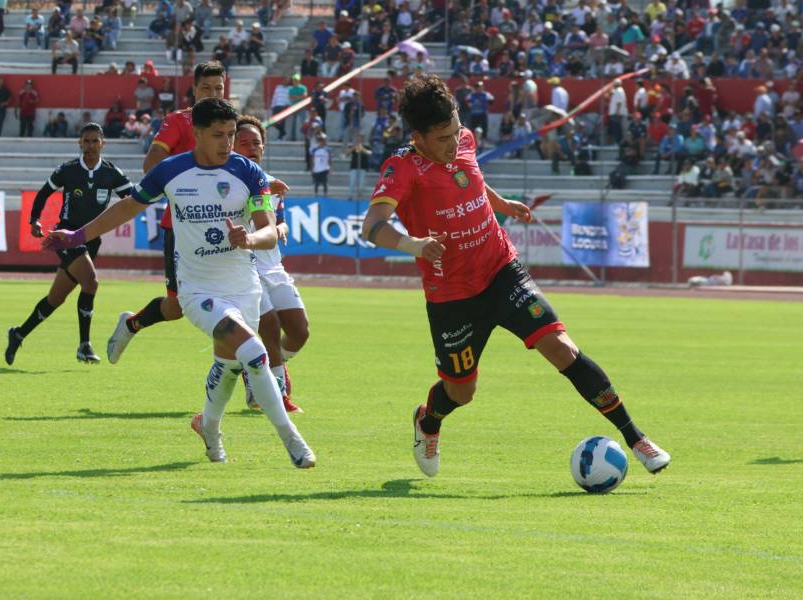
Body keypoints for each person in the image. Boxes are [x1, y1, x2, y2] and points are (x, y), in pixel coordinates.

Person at [360, 75, 670, 478]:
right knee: (461, 391)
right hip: (452, 295)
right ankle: (428, 420)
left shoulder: (465, 141)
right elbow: (372, 226)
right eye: (442, 139)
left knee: (561, 347)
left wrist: (501, 203)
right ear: (417, 137)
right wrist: (415, 245)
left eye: (456, 131)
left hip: (501, 269)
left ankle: (636, 438)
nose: (453, 143)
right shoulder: (402, 167)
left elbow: (470, 178)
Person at [43, 98, 316, 469]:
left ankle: (207, 424)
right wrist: (76, 236)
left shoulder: (249, 173)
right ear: (198, 134)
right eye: (218, 134)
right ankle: (292, 441)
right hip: (198, 290)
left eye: (231, 134)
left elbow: (268, 229)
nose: (226, 142)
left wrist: (249, 239)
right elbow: (127, 208)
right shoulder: (170, 171)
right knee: (253, 353)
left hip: (244, 287)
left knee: (230, 366)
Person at [104, 62, 226, 366]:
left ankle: (255, 375)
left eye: (219, 88)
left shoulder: (229, 124)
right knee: (175, 308)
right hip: (182, 228)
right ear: (195, 90)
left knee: (241, 299)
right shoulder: (180, 121)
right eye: (207, 88)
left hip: (225, 227)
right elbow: (152, 163)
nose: (213, 94)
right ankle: (132, 324)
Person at [5, 123, 132, 366]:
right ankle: (84, 345)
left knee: (56, 298)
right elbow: (43, 193)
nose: (91, 146)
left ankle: (18, 333)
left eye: (95, 141)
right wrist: (35, 220)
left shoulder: (111, 172)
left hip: (92, 240)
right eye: (86, 141)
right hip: (66, 236)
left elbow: (132, 199)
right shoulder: (69, 170)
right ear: (80, 143)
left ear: (103, 143)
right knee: (91, 282)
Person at [234, 115, 308, 413]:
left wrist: (282, 229)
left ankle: (257, 367)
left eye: (257, 143)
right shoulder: (230, 184)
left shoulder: (271, 185)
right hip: (245, 267)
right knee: (269, 325)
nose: (252, 148)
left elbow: (280, 223)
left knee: (299, 332)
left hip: (273, 267)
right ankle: (276, 395)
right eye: (245, 143)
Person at [346, 133, 371, 199]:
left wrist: (362, 148)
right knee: (352, 182)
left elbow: (369, 153)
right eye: (359, 137)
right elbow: (347, 152)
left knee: (361, 183)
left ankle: (359, 195)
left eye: (362, 137)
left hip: (363, 167)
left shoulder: (366, 146)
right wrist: (354, 147)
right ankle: (350, 195)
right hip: (354, 166)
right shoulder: (353, 146)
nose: (360, 139)